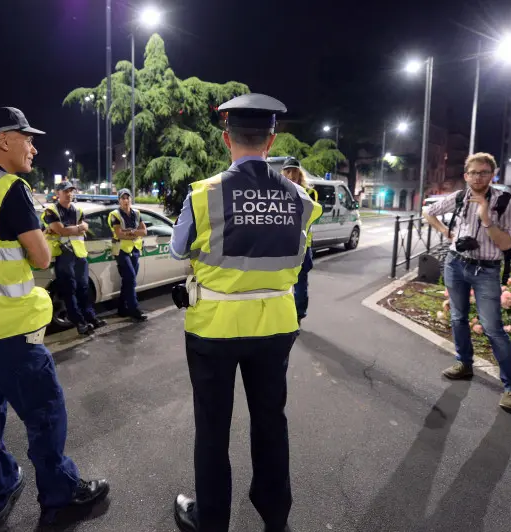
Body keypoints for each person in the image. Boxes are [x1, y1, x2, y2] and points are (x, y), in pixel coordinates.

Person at [0, 107, 110, 528]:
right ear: (4, 140)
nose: (34, 147)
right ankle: (60, 492)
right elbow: (42, 254)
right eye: (27, 138)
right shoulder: (9, 189)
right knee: (45, 410)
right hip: (6, 327)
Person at [169, 93, 322, 532]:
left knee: (213, 429)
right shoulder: (301, 198)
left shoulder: (204, 195)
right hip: (275, 328)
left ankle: (212, 520)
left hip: (213, 330)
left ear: (225, 139)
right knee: (271, 423)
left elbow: (179, 247)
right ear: (271, 141)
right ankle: (275, 516)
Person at [423, 152, 511, 411]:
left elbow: (506, 244)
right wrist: (447, 232)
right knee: (457, 318)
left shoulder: (506, 202)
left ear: (493, 174)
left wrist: (486, 217)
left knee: (493, 328)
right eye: (473, 173)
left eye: (483, 172)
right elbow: (428, 212)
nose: (477, 177)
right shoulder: (459, 197)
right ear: (465, 175)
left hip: (487, 270)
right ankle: (464, 363)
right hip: (456, 264)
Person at [42, 181, 107, 335]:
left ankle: (91, 318)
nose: (69, 194)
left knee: (84, 288)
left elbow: (85, 227)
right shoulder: (51, 211)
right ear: (57, 193)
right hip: (63, 255)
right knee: (69, 290)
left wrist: (72, 229)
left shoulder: (77, 210)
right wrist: (77, 228)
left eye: (71, 191)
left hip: (79, 254)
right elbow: (61, 230)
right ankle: (79, 323)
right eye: (66, 191)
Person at [281, 157, 319, 322]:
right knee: (282, 281)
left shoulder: (310, 192)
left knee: (301, 281)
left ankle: (298, 314)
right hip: (284, 243)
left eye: (294, 171)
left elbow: (308, 215)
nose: (291, 175)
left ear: (299, 172)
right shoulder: (278, 190)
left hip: (303, 244)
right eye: (288, 171)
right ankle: (284, 312)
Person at [107, 188, 149, 321]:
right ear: (119, 200)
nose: (126, 200)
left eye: (127, 198)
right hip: (121, 250)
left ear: (131, 199)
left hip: (135, 249)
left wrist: (130, 232)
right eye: (123, 198)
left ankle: (122, 308)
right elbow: (119, 233)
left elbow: (144, 231)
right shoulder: (115, 214)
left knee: (129, 280)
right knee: (130, 277)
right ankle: (134, 309)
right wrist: (135, 232)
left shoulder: (136, 213)